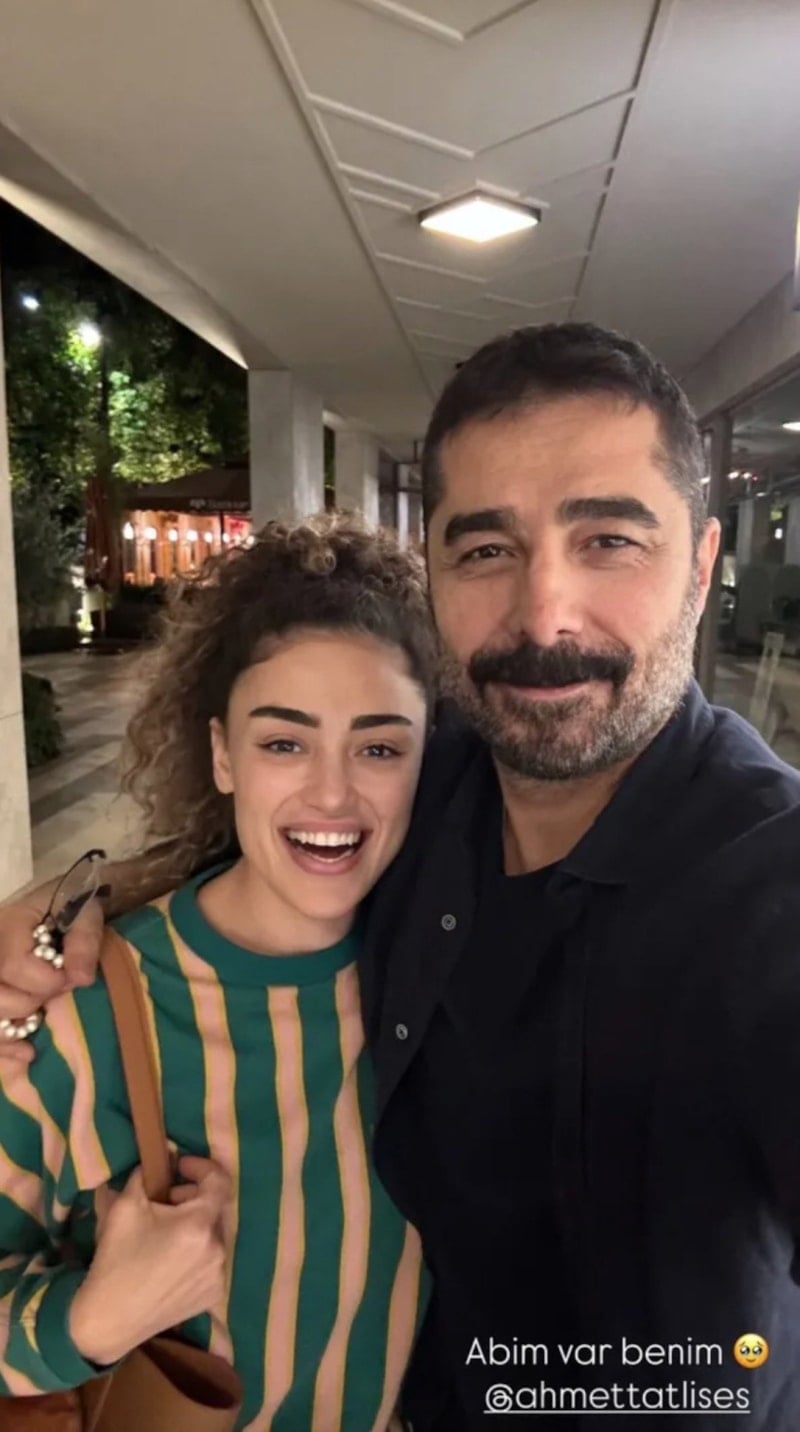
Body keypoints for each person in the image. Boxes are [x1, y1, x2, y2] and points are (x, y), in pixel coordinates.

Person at [3, 322, 800, 1430]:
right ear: (432, 572)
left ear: (703, 564)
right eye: (485, 550)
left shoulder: (766, 888)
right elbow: (295, 811)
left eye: (610, 540)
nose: (543, 617)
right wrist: (66, 905)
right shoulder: (441, 778)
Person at [0, 515, 435, 1430]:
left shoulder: (442, 988)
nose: (332, 793)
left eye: (379, 747)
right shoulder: (78, 1012)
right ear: (222, 756)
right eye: (283, 743)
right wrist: (90, 1320)